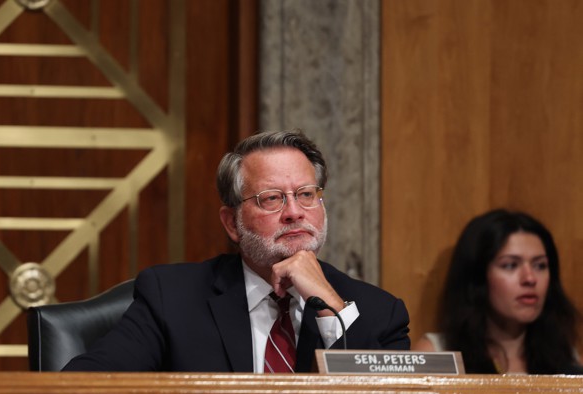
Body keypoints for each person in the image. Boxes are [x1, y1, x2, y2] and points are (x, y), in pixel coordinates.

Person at [62, 130, 410, 373]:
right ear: (232, 223)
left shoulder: (380, 314)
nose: (294, 211)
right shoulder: (172, 299)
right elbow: (85, 384)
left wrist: (330, 308)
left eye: (306, 194)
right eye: (271, 198)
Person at [412, 209, 582, 374]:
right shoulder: (436, 354)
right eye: (510, 265)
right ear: (477, 276)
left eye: (540, 265)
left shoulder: (567, 361)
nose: (530, 278)